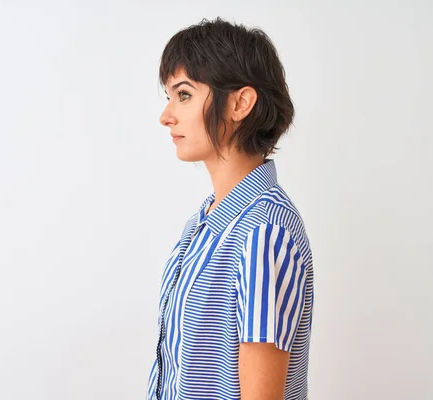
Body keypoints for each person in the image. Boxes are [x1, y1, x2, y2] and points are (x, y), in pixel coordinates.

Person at [147, 17, 314, 400]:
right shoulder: (202, 226)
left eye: (184, 94)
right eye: (169, 96)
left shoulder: (262, 230)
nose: (166, 115)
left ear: (241, 102)